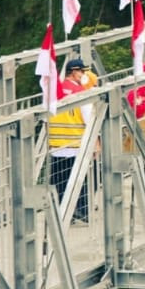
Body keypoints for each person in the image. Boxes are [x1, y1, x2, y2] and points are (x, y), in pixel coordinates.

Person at [49, 58, 97, 223]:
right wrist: (97, 142)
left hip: (56, 146)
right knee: (83, 179)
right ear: (74, 72)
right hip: (76, 144)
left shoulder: (54, 90)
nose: (84, 74)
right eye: (82, 71)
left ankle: (63, 215)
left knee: (60, 183)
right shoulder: (80, 93)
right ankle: (82, 210)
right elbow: (90, 119)